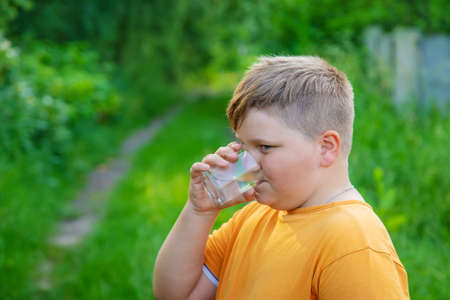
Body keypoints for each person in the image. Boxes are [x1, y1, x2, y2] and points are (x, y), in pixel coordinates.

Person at [153, 56, 410, 299]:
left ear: (326, 148)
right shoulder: (255, 217)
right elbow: (178, 295)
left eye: (265, 147)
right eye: (244, 146)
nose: (248, 164)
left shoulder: (353, 242)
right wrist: (199, 211)